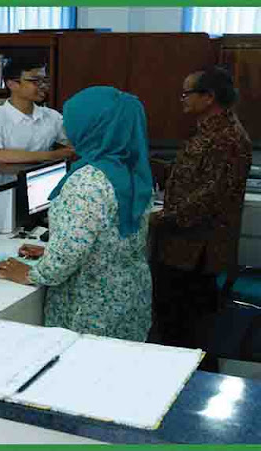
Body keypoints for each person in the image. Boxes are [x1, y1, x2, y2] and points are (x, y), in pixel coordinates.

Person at [0, 86, 154, 342]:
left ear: (92, 126)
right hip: (128, 295)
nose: (67, 130)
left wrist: (30, 273)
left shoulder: (87, 181)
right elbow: (108, 237)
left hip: (91, 306)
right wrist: (52, 248)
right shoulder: (130, 168)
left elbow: (69, 254)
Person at [151, 67, 252, 355]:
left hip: (194, 250)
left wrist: (159, 218)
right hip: (187, 245)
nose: (181, 99)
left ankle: (188, 385)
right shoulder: (212, 130)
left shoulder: (226, 137)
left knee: (183, 329)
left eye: (187, 93)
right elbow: (199, 175)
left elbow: (212, 196)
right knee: (181, 324)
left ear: (208, 97)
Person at [0, 57, 76, 170]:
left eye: (45, 80)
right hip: (1, 184)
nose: (43, 86)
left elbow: (72, 144)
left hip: (38, 181)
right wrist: (51, 156)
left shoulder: (52, 116)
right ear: (12, 84)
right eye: (35, 81)